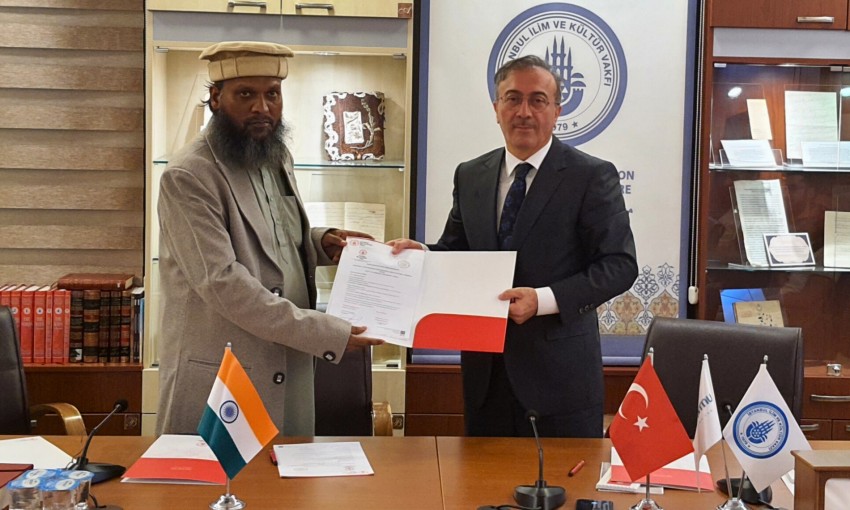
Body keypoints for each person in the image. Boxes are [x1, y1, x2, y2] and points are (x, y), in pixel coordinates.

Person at [389, 55, 638, 438]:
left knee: (564, 479)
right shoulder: (470, 174)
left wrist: (543, 300)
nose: (524, 112)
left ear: (557, 111)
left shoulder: (591, 176)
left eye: (538, 100)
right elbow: (458, 251)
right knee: (481, 477)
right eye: (512, 98)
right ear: (496, 108)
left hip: (559, 380)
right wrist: (422, 256)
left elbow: (619, 265)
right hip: (485, 377)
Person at [156, 41, 382, 436]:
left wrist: (320, 242)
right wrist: (325, 333)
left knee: (289, 471)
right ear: (215, 99)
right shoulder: (189, 175)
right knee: (223, 475)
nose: (262, 107)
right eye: (246, 94)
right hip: (227, 375)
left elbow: (275, 236)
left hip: (290, 364)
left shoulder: (275, 156)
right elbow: (222, 282)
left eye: (272, 94)